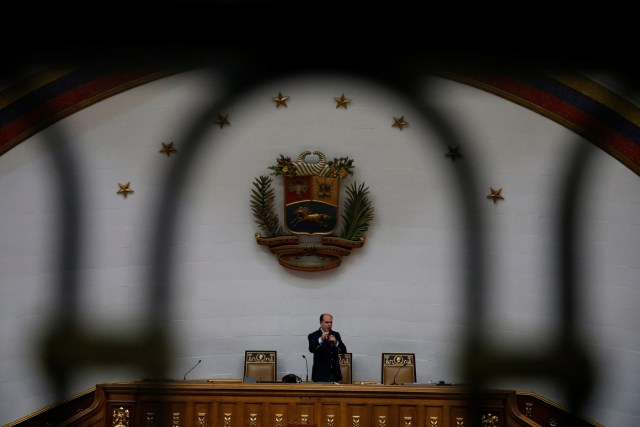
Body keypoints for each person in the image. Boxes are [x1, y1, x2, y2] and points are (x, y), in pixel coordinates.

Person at [307, 313, 347, 382]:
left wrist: (336, 342)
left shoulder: (336, 334)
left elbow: (344, 351)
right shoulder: (313, 335)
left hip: (335, 376)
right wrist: (321, 339)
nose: (329, 324)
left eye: (331, 322)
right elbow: (311, 349)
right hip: (320, 376)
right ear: (321, 323)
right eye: (327, 322)